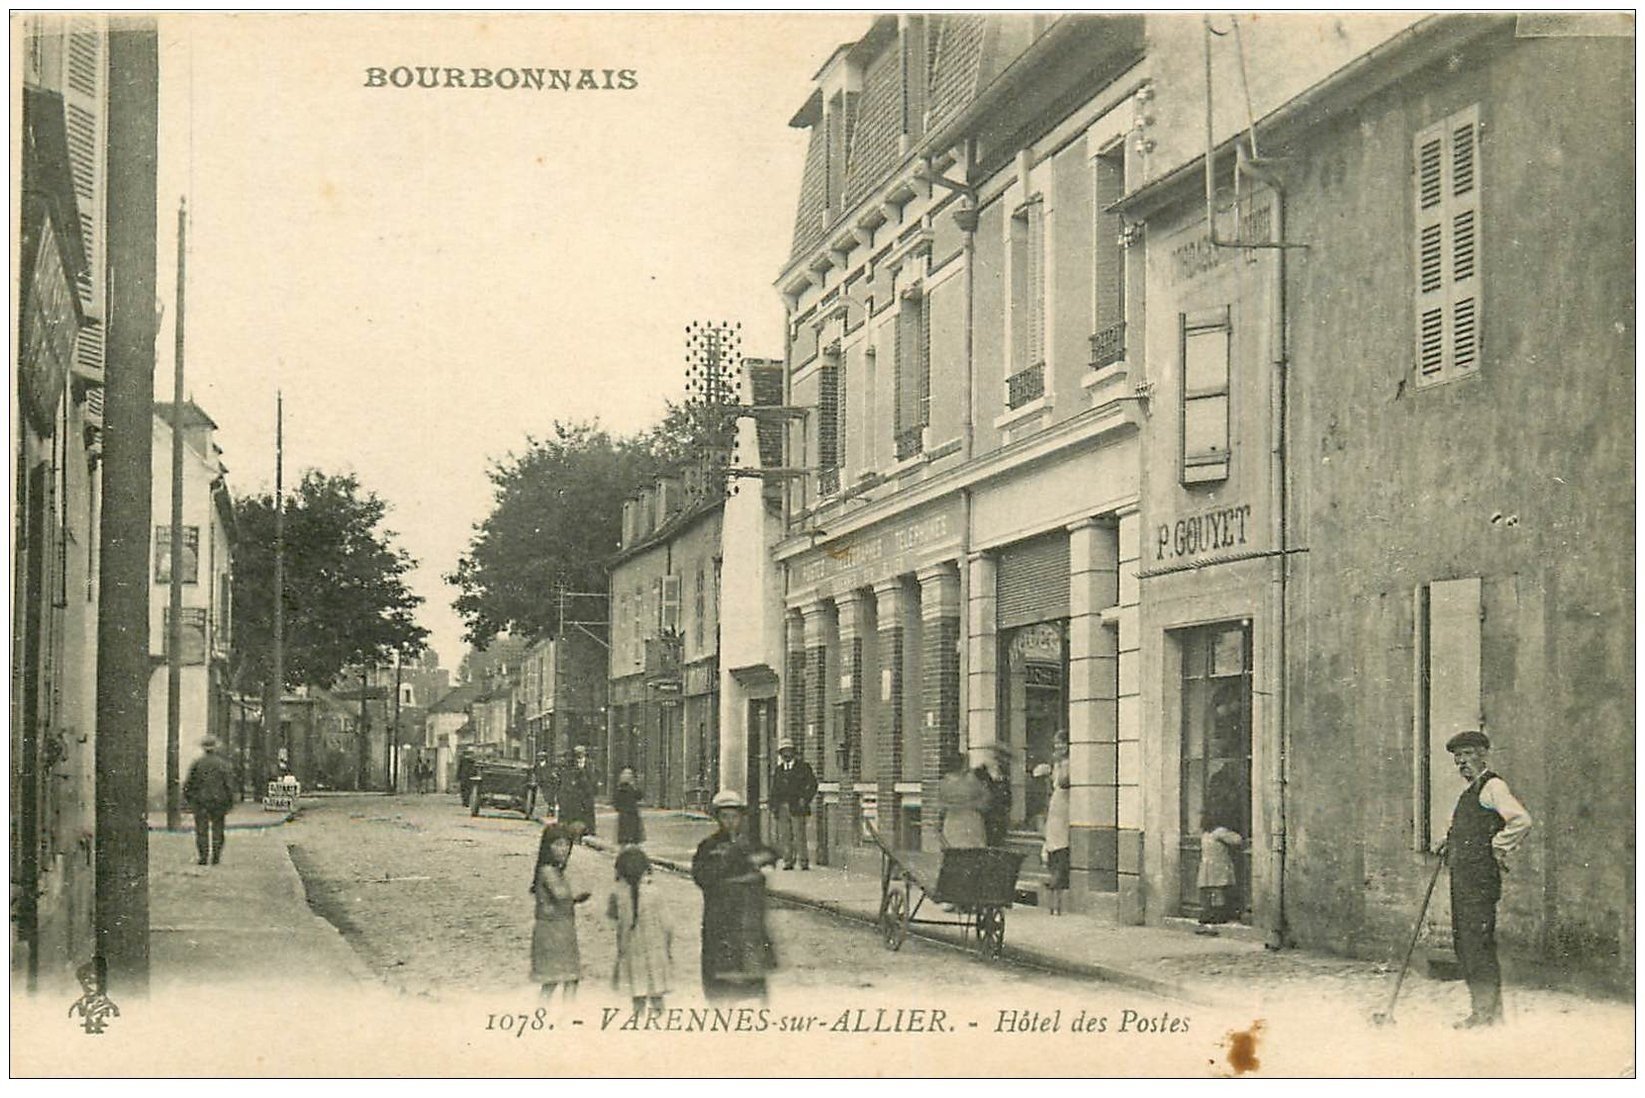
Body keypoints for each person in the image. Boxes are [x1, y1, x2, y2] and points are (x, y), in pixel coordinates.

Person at [1437, 730, 1532, 1028]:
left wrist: (1497, 846)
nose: (1461, 763)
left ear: (1482, 754)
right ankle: (1487, 1013)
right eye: (1457, 758)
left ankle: (1485, 1015)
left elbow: (1520, 820)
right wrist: (1450, 842)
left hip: (1479, 879)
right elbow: (1471, 828)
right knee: (1466, 943)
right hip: (1465, 877)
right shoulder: (1472, 791)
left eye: (1466, 755)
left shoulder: (1493, 787)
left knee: (1476, 943)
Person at [691, 790, 777, 1001]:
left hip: (747, 922)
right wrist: (724, 867)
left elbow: (770, 856)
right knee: (719, 978)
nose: (730, 822)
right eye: (725, 817)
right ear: (718, 818)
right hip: (719, 919)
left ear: (741, 818)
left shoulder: (750, 844)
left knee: (752, 973)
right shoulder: (708, 846)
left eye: (735, 817)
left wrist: (760, 863)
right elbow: (701, 876)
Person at [607, 846, 672, 1018]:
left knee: (637, 997)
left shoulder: (616, 895)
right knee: (657, 997)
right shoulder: (655, 893)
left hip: (631, 954)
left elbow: (614, 925)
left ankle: (638, 1028)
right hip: (654, 953)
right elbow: (667, 925)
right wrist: (667, 950)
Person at [529, 823, 591, 1003]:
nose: (562, 849)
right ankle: (566, 1015)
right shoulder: (549, 871)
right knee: (568, 978)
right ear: (547, 847)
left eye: (566, 845)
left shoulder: (552, 869)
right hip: (554, 931)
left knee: (553, 981)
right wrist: (577, 894)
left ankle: (543, 1013)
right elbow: (561, 894)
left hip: (559, 928)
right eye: (557, 845)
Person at [182, 736, 238, 866]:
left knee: (201, 829)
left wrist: (189, 799)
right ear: (216, 747)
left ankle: (203, 857)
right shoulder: (224, 764)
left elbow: (188, 785)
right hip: (219, 801)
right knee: (218, 829)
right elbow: (229, 785)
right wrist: (230, 801)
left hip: (201, 801)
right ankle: (216, 857)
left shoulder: (197, 764)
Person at [768, 738, 818, 870]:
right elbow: (774, 789)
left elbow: (813, 785)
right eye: (784, 752)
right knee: (785, 835)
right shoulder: (779, 770)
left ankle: (803, 861)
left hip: (797, 806)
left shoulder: (803, 768)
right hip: (782, 807)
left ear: (793, 752)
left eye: (789, 751)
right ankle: (788, 861)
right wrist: (773, 806)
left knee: (799, 834)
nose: (786, 755)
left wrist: (805, 799)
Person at [1039, 734, 1072, 915]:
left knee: (1061, 845)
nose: (1059, 747)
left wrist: (1057, 767)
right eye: (1057, 744)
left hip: (1065, 808)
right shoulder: (1058, 763)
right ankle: (1054, 887)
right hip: (1056, 807)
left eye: (1062, 744)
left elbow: (1063, 782)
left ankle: (1057, 886)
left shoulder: (1068, 763)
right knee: (1053, 844)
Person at [1195, 818, 1242, 935]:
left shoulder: (1205, 834)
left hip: (1207, 865)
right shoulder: (1220, 832)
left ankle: (1208, 914)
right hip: (1219, 865)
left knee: (1209, 890)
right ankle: (1219, 915)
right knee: (1218, 889)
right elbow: (1237, 840)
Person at [937, 749, 988, 849]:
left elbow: (940, 805)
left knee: (953, 850)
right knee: (972, 850)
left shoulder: (943, 784)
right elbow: (986, 798)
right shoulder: (972, 781)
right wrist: (974, 805)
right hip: (971, 819)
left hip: (952, 820)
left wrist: (951, 806)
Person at [974, 743, 1013, 847]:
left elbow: (1007, 796)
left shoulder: (1003, 775)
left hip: (999, 818)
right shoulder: (978, 773)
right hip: (983, 819)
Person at [556, 746, 597, 839]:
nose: (579, 755)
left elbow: (593, 777)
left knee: (589, 811)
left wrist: (591, 786)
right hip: (577, 792)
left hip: (587, 791)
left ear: (584, 753)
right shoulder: (571, 764)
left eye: (581, 753)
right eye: (577, 753)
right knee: (577, 812)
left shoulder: (590, 763)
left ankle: (590, 830)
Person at [613, 766, 645, 847]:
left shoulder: (628, 788)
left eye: (629, 774)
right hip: (628, 814)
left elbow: (639, 796)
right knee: (629, 836)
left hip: (629, 814)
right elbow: (639, 796)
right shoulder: (625, 788)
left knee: (629, 837)